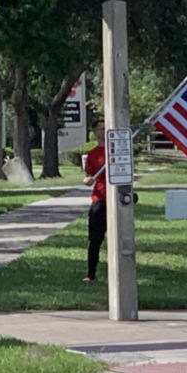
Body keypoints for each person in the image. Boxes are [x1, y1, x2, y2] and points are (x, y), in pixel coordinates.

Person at [82, 119, 107, 283]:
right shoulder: (92, 155)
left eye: (105, 128)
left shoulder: (117, 150)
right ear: (94, 132)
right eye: (99, 129)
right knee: (95, 239)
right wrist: (87, 180)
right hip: (99, 199)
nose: (102, 132)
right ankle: (91, 274)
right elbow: (88, 177)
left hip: (116, 199)